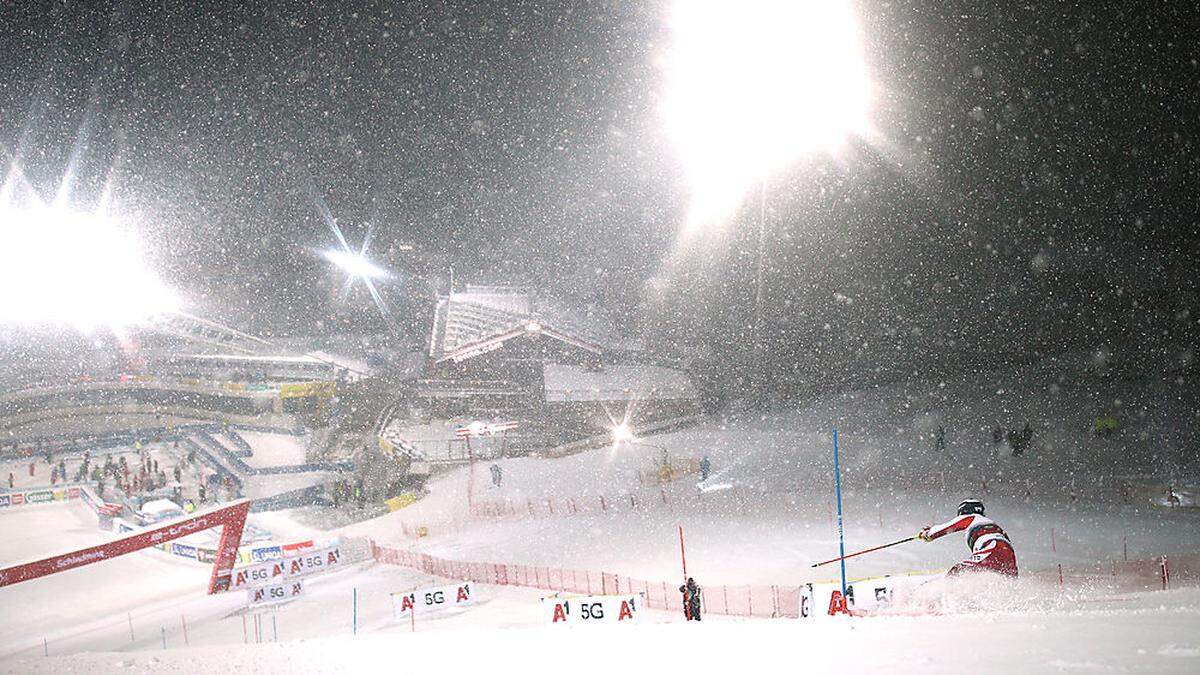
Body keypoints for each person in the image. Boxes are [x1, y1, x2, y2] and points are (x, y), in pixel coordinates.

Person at [918, 499, 1018, 577]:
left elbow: (945, 528)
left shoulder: (971, 517)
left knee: (958, 571)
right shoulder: (992, 524)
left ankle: (942, 593)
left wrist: (927, 533)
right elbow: (1005, 545)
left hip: (991, 547)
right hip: (1009, 555)